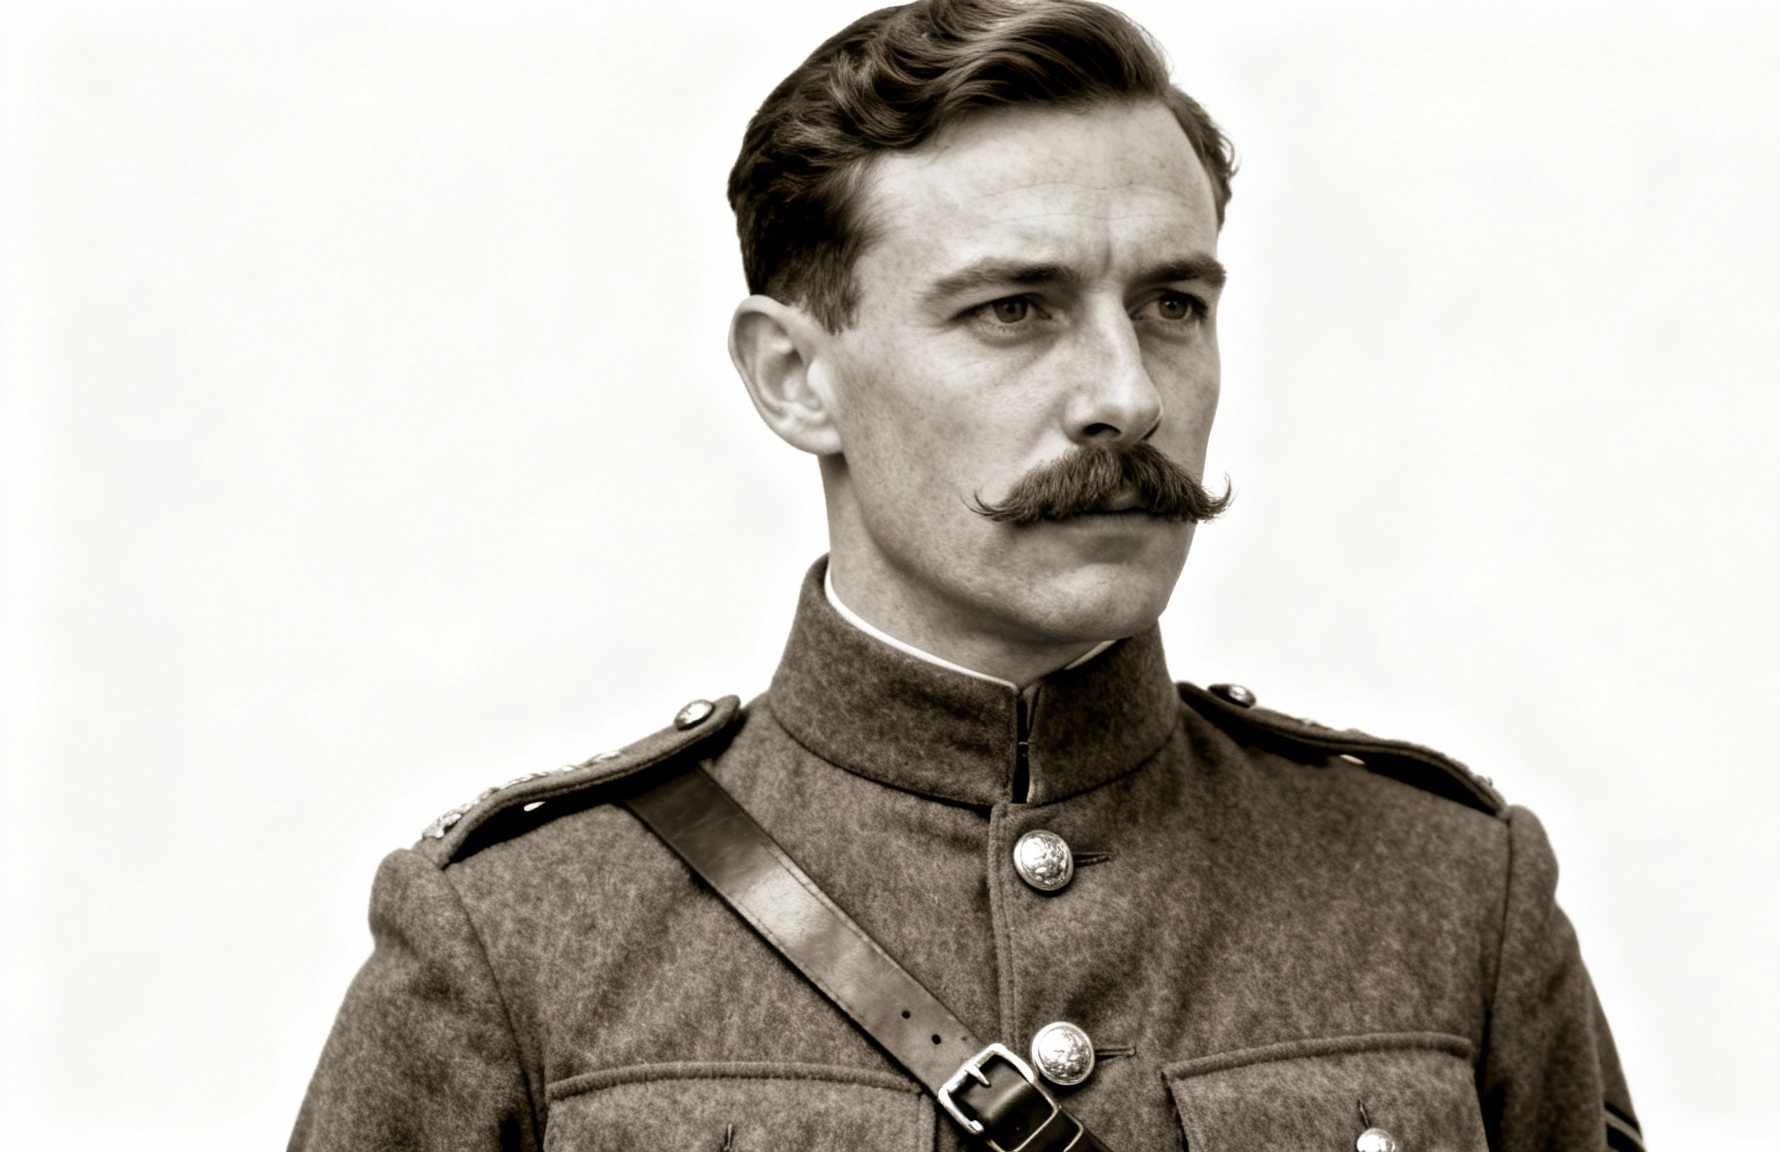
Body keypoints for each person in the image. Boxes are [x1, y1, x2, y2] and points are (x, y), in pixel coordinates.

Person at [291, 2, 1642, 1150]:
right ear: (794, 377)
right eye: (1015, 311)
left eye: (1173, 306)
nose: (1126, 396)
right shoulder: (516, 939)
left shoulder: (1452, 895)